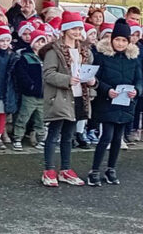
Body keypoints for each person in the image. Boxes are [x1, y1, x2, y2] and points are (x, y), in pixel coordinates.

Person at [40, 11, 94, 187]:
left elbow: (88, 71)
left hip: (78, 96)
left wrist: (93, 81)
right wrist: (67, 80)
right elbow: (48, 74)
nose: (78, 32)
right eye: (75, 28)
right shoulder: (54, 51)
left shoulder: (84, 51)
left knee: (69, 135)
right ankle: (49, 169)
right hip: (60, 98)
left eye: (80, 28)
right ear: (65, 29)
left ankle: (65, 169)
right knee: (54, 134)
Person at [88, 18, 143, 187]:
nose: (120, 43)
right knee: (106, 136)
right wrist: (106, 90)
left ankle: (111, 168)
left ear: (129, 42)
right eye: (117, 39)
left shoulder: (133, 58)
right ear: (112, 40)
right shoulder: (102, 56)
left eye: (124, 40)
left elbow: (139, 79)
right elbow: (95, 77)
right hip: (107, 101)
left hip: (125, 102)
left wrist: (137, 90)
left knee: (118, 138)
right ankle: (95, 170)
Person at [12, 30, 47, 151]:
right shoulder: (25, 57)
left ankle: (41, 139)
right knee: (24, 116)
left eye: (43, 42)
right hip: (30, 95)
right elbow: (21, 75)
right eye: (38, 41)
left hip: (43, 95)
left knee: (41, 118)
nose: (40, 44)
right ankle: (17, 138)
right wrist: (30, 86)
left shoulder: (47, 58)